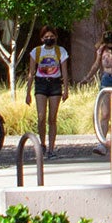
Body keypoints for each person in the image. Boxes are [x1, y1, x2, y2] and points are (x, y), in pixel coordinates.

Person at [26, 26, 69, 156]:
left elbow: (64, 71)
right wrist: (28, 93)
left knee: (52, 118)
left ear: (55, 37)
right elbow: (31, 72)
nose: (49, 39)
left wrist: (66, 88)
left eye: (51, 37)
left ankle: (51, 148)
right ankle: (42, 143)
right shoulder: (36, 51)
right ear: (42, 39)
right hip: (41, 83)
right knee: (41, 117)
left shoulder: (60, 51)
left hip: (55, 83)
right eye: (46, 37)